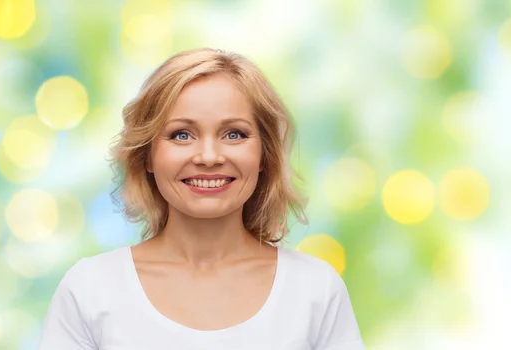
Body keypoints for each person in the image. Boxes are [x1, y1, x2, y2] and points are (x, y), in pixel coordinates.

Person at [37, 48, 365, 350]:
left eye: (234, 134)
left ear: (264, 155)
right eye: (182, 135)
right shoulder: (90, 290)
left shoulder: (316, 290)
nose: (209, 156)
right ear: (147, 156)